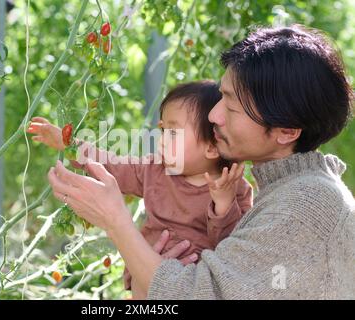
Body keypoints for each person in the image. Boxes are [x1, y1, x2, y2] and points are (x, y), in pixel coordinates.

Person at [47, 25, 354, 299]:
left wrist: (115, 220)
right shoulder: (287, 193)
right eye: (221, 97)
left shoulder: (306, 205)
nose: (213, 116)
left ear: (287, 131)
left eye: (232, 108)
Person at [27, 81, 253, 299]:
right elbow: (111, 164)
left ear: (212, 147)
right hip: (144, 281)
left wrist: (223, 204)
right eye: (162, 130)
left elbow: (231, 251)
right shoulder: (154, 170)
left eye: (172, 133)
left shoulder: (235, 189)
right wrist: (70, 144)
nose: (161, 140)